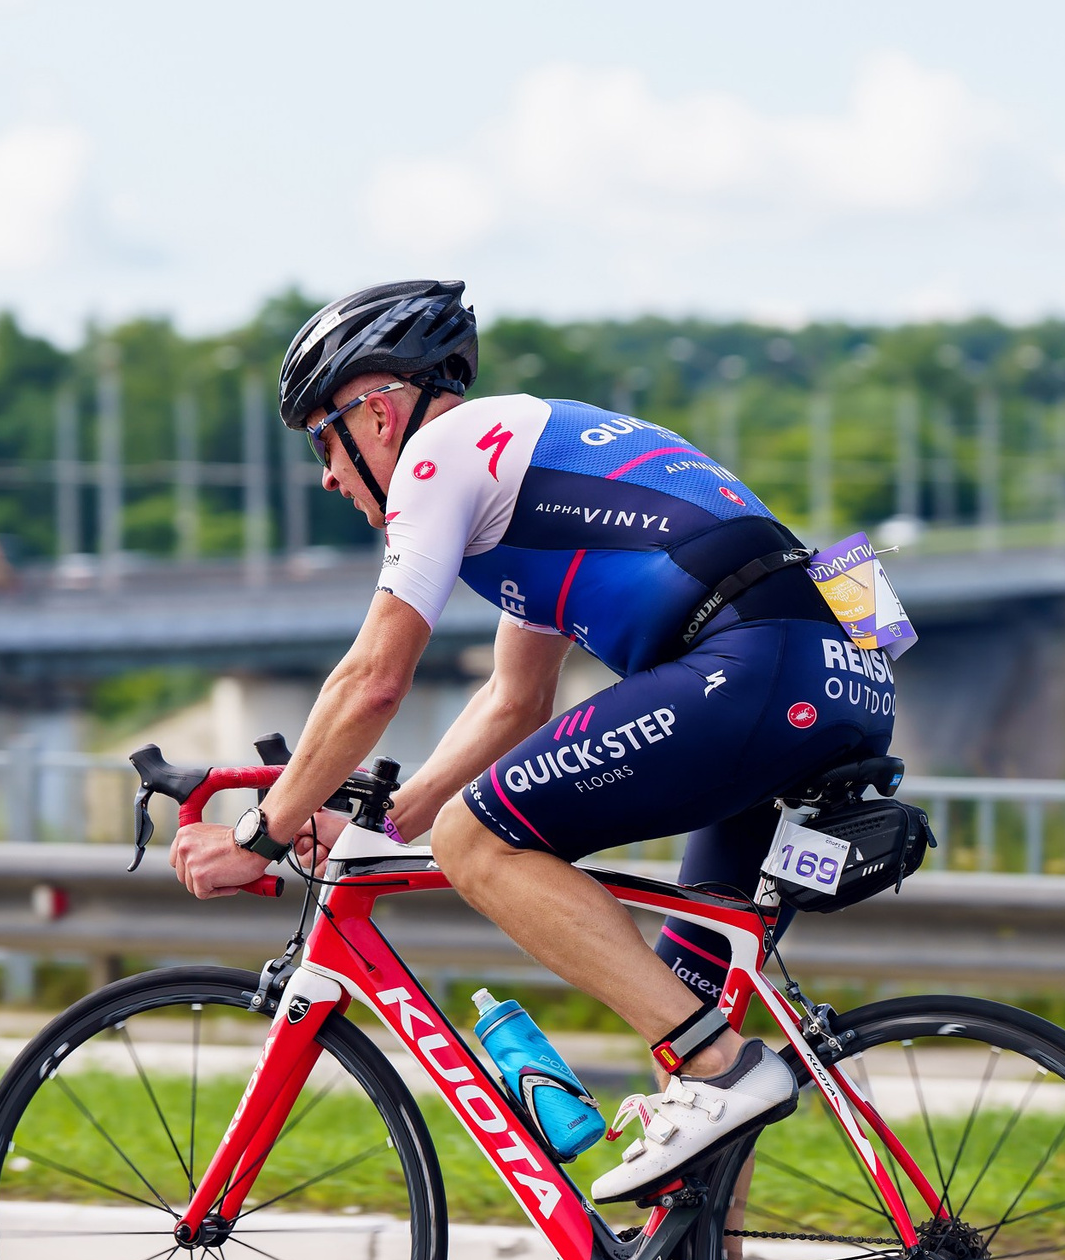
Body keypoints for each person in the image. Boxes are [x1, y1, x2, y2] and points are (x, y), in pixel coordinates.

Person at [168, 279, 896, 1208]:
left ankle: (719, 1068)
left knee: (480, 843)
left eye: (323, 438)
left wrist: (260, 831)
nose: (327, 475)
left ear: (378, 413)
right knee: (685, 1016)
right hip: (844, 663)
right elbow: (515, 699)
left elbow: (373, 679)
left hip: (755, 667)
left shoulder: (437, 457)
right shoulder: (524, 462)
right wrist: (385, 826)